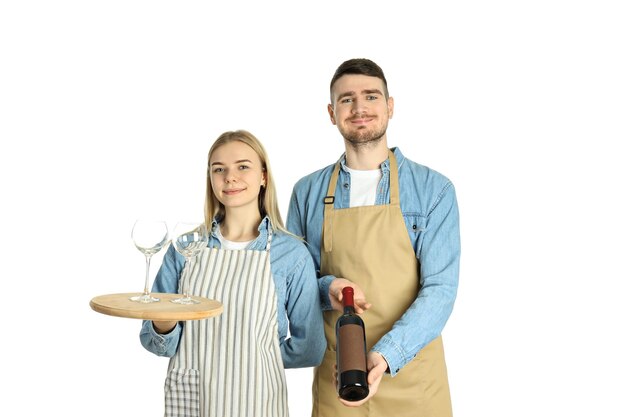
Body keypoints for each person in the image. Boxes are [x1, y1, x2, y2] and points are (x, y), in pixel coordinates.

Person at [287, 58, 461, 417]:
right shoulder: (306, 193)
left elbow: (440, 290)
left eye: (371, 96)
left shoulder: (433, 190)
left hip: (413, 379)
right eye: (347, 99)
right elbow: (294, 284)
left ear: (390, 106)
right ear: (332, 113)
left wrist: (385, 355)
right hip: (340, 377)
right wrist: (328, 286)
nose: (360, 108)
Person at [140, 130, 325, 417]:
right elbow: (155, 342)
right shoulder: (184, 248)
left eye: (242, 166)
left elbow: (310, 347)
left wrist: (254, 362)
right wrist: (164, 326)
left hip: (257, 401)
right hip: (192, 398)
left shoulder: (291, 254)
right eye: (219, 169)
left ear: (263, 176)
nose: (230, 177)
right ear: (210, 179)